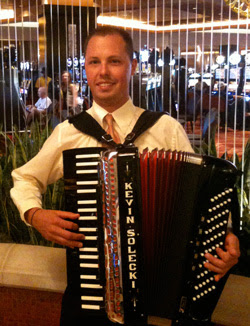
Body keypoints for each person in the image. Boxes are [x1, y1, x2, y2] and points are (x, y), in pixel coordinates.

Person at [11, 27, 240, 325]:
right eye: (94, 62)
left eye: (114, 61)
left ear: (132, 66)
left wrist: (227, 234)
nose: (103, 72)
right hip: (91, 295)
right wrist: (34, 214)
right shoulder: (68, 133)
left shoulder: (164, 128)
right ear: (86, 68)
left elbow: (203, 197)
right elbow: (25, 177)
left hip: (159, 297)